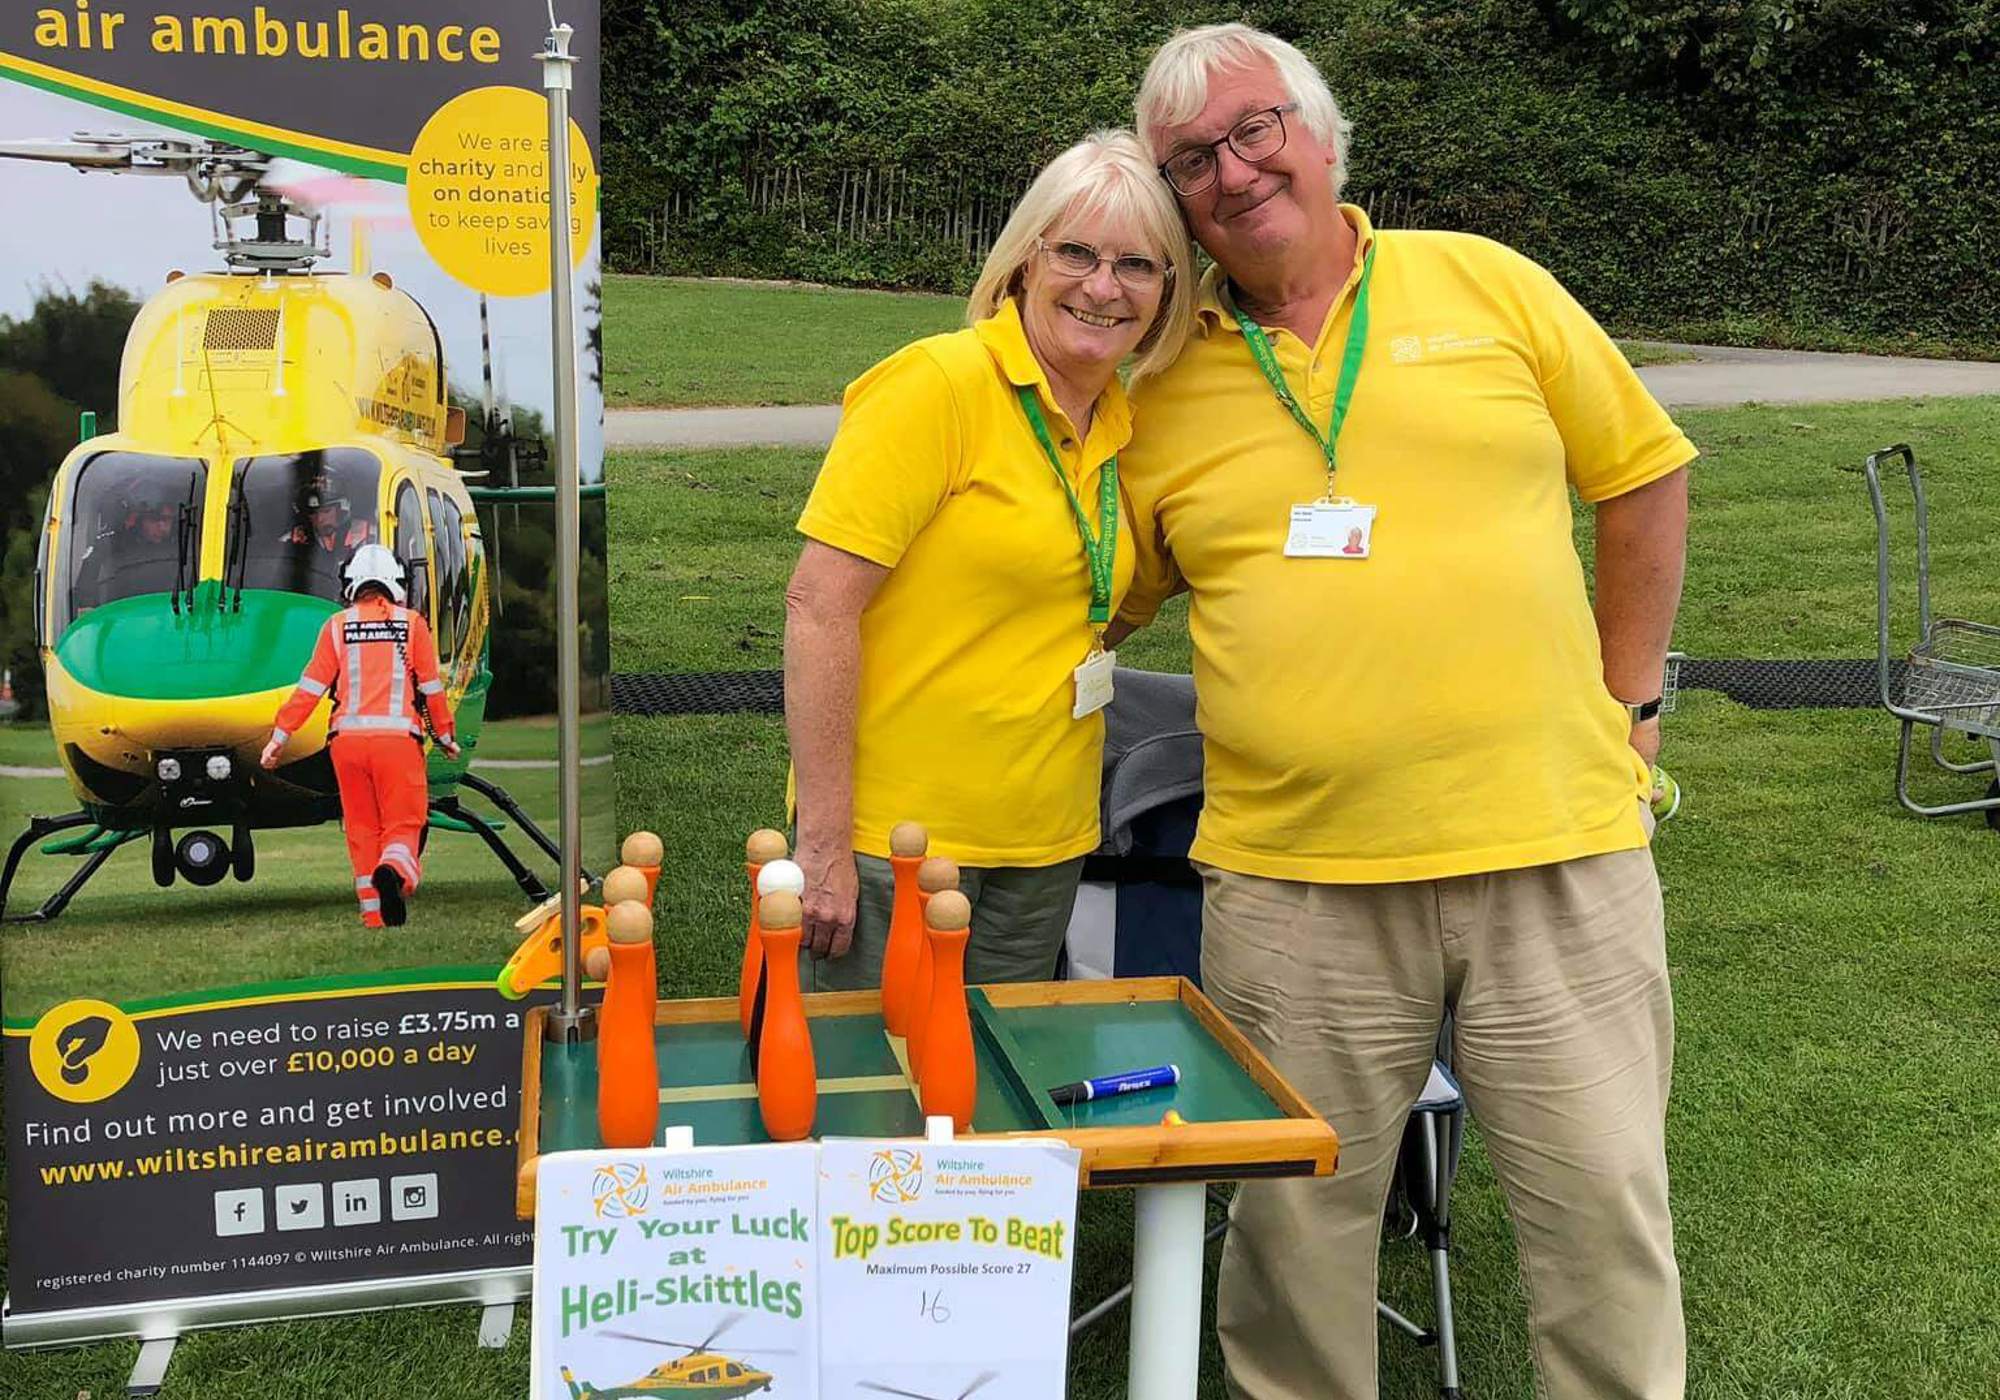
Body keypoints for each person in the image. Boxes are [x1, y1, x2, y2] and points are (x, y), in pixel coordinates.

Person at [1114, 24, 1696, 1400]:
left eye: (1256, 130)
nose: (1235, 172)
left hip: (1554, 853)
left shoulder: (1483, 282)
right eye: (1192, 160)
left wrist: (1636, 693)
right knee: (1292, 1234)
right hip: (1293, 883)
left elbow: (1645, 475)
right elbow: (1082, 587)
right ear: (1172, 198)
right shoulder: (1161, 377)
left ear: (1322, 135)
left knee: (1602, 1211)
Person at [784, 130, 1194, 989]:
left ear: (1166, 289)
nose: (1102, 287)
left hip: (1043, 844)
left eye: (1137, 265)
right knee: (871, 1107)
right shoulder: (937, 385)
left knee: (996, 1102)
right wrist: (821, 844)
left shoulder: (1124, 424)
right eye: (1075, 253)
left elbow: (1104, 600)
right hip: (893, 845)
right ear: (1023, 262)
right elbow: (819, 608)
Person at [261, 544, 458, 929]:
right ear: (398, 583)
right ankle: (395, 873)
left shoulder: (336, 626)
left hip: (346, 744)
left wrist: (278, 738)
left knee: (361, 828)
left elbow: (310, 689)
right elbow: (431, 689)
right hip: (397, 742)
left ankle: (374, 918)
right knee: (403, 823)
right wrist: (447, 736)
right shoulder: (413, 625)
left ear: (349, 585)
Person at [285, 480, 373, 553]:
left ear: (340, 511)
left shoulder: (369, 535)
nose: (319, 519)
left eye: (326, 511)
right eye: (312, 513)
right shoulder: (293, 540)